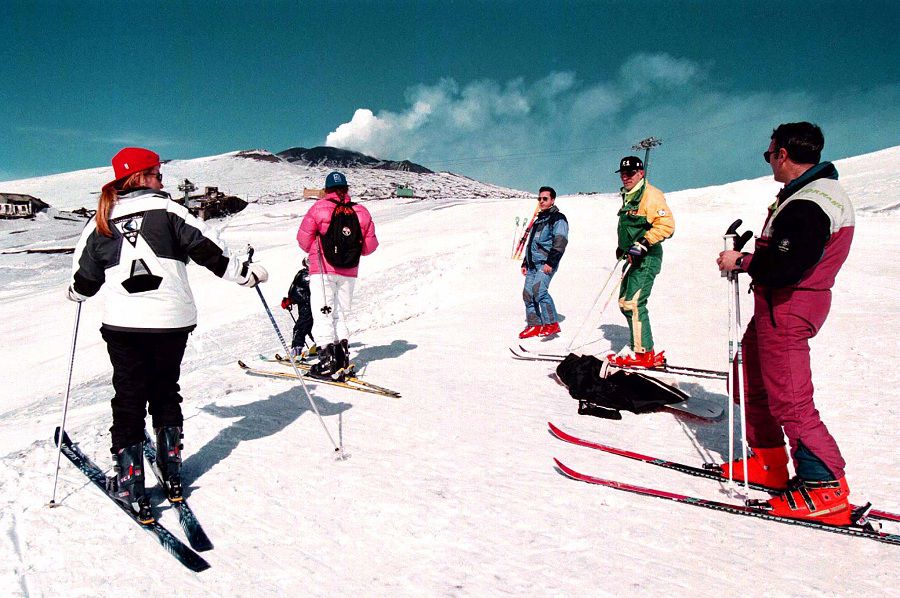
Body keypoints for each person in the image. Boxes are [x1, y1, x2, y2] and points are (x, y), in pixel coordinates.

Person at [68, 147, 268, 523]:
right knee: (164, 390)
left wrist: (76, 293)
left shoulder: (100, 222)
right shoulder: (172, 211)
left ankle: (129, 482)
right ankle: (171, 471)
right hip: (171, 323)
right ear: (141, 177)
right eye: (158, 174)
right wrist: (245, 274)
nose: (163, 181)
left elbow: (86, 279)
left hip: (124, 325)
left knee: (128, 396)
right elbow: (209, 249)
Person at [717, 122, 855, 525]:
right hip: (775, 304)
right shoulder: (804, 195)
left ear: (782, 154)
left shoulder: (812, 200)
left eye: (768, 154)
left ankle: (824, 486)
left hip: (790, 307)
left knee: (790, 400)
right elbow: (783, 252)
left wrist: (741, 261)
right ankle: (769, 461)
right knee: (751, 382)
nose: (769, 162)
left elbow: (787, 264)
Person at [296, 171, 378, 379]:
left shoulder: (318, 209)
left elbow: (303, 240)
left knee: (323, 313)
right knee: (339, 313)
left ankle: (326, 360)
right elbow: (369, 247)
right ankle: (342, 357)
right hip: (349, 272)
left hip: (322, 270)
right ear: (346, 188)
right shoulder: (361, 212)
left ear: (327, 190)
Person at [608, 156, 674, 367]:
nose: (626, 177)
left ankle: (644, 353)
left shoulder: (651, 195)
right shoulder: (629, 196)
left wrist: (644, 243)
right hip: (632, 258)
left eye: (630, 173)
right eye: (623, 174)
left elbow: (666, 225)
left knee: (634, 303)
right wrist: (624, 246)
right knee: (625, 303)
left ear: (641, 173)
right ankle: (637, 346)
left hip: (647, 258)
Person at [519, 186, 568, 338]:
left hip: (546, 263)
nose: (541, 201)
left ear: (552, 200)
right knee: (528, 294)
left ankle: (551, 323)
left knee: (539, 291)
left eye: (545, 199)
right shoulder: (539, 219)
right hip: (533, 265)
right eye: (539, 198)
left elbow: (560, 242)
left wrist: (551, 263)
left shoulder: (558, 218)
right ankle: (534, 325)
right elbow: (531, 244)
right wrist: (525, 263)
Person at [281, 257, 316, 358]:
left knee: (301, 327)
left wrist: (291, 300)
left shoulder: (306, 275)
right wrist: (290, 300)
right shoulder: (308, 275)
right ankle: (323, 346)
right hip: (309, 305)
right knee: (309, 326)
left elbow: (296, 291)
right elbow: (296, 290)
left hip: (307, 305)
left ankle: (296, 351)